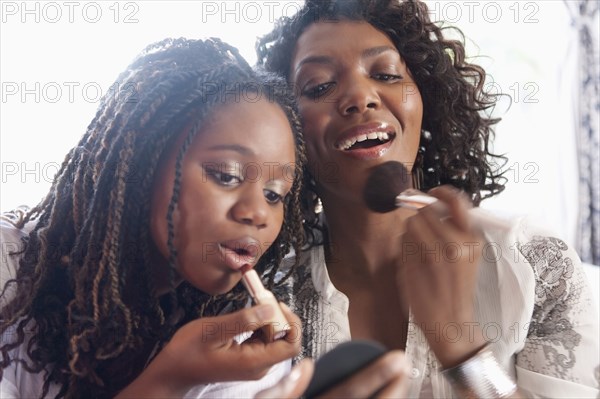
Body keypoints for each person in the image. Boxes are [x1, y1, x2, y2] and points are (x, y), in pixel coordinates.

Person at [256, 0, 600, 397]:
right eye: (319, 86)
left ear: (425, 100)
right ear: (287, 129)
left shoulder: (537, 267)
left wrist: (460, 346)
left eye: (385, 73)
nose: (360, 96)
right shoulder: (268, 297)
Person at [0, 37, 310, 398]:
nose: (257, 213)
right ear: (141, 165)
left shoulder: (245, 353)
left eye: (274, 194)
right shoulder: (10, 269)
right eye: (226, 175)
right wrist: (170, 380)